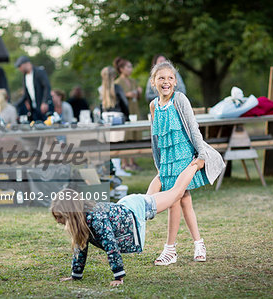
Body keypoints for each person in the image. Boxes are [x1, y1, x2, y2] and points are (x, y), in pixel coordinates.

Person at [52, 163, 200, 286]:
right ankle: (167, 168)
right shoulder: (83, 221)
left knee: (177, 192)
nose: (58, 221)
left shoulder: (95, 219)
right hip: (127, 207)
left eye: (59, 217)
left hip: (136, 209)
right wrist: (75, 275)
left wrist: (118, 277)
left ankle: (195, 164)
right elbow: (81, 249)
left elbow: (111, 245)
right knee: (160, 194)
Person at [148, 60, 225, 265]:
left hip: (185, 156)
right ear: (153, 82)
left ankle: (170, 250)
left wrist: (201, 155)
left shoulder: (179, 99)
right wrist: (159, 164)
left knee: (175, 199)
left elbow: (193, 128)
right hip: (168, 160)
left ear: (175, 82)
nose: (166, 82)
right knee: (185, 201)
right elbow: (155, 138)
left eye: (170, 78)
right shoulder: (154, 105)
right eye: (161, 78)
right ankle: (199, 243)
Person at [113, 57, 142, 170]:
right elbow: (116, 99)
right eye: (128, 67)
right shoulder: (117, 83)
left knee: (134, 135)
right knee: (125, 136)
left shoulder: (133, 81)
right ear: (121, 69)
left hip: (134, 109)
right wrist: (127, 94)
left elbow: (137, 96)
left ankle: (133, 162)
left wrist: (138, 92)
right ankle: (124, 163)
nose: (131, 69)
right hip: (124, 111)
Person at [15, 55, 54, 121]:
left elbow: (47, 86)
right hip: (34, 108)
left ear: (26, 64)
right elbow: (26, 94)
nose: (19, 69)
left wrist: (44, 102)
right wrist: (16, 105)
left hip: (43, 106)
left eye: (20, 66)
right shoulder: (25, 77)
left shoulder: (39, 71)